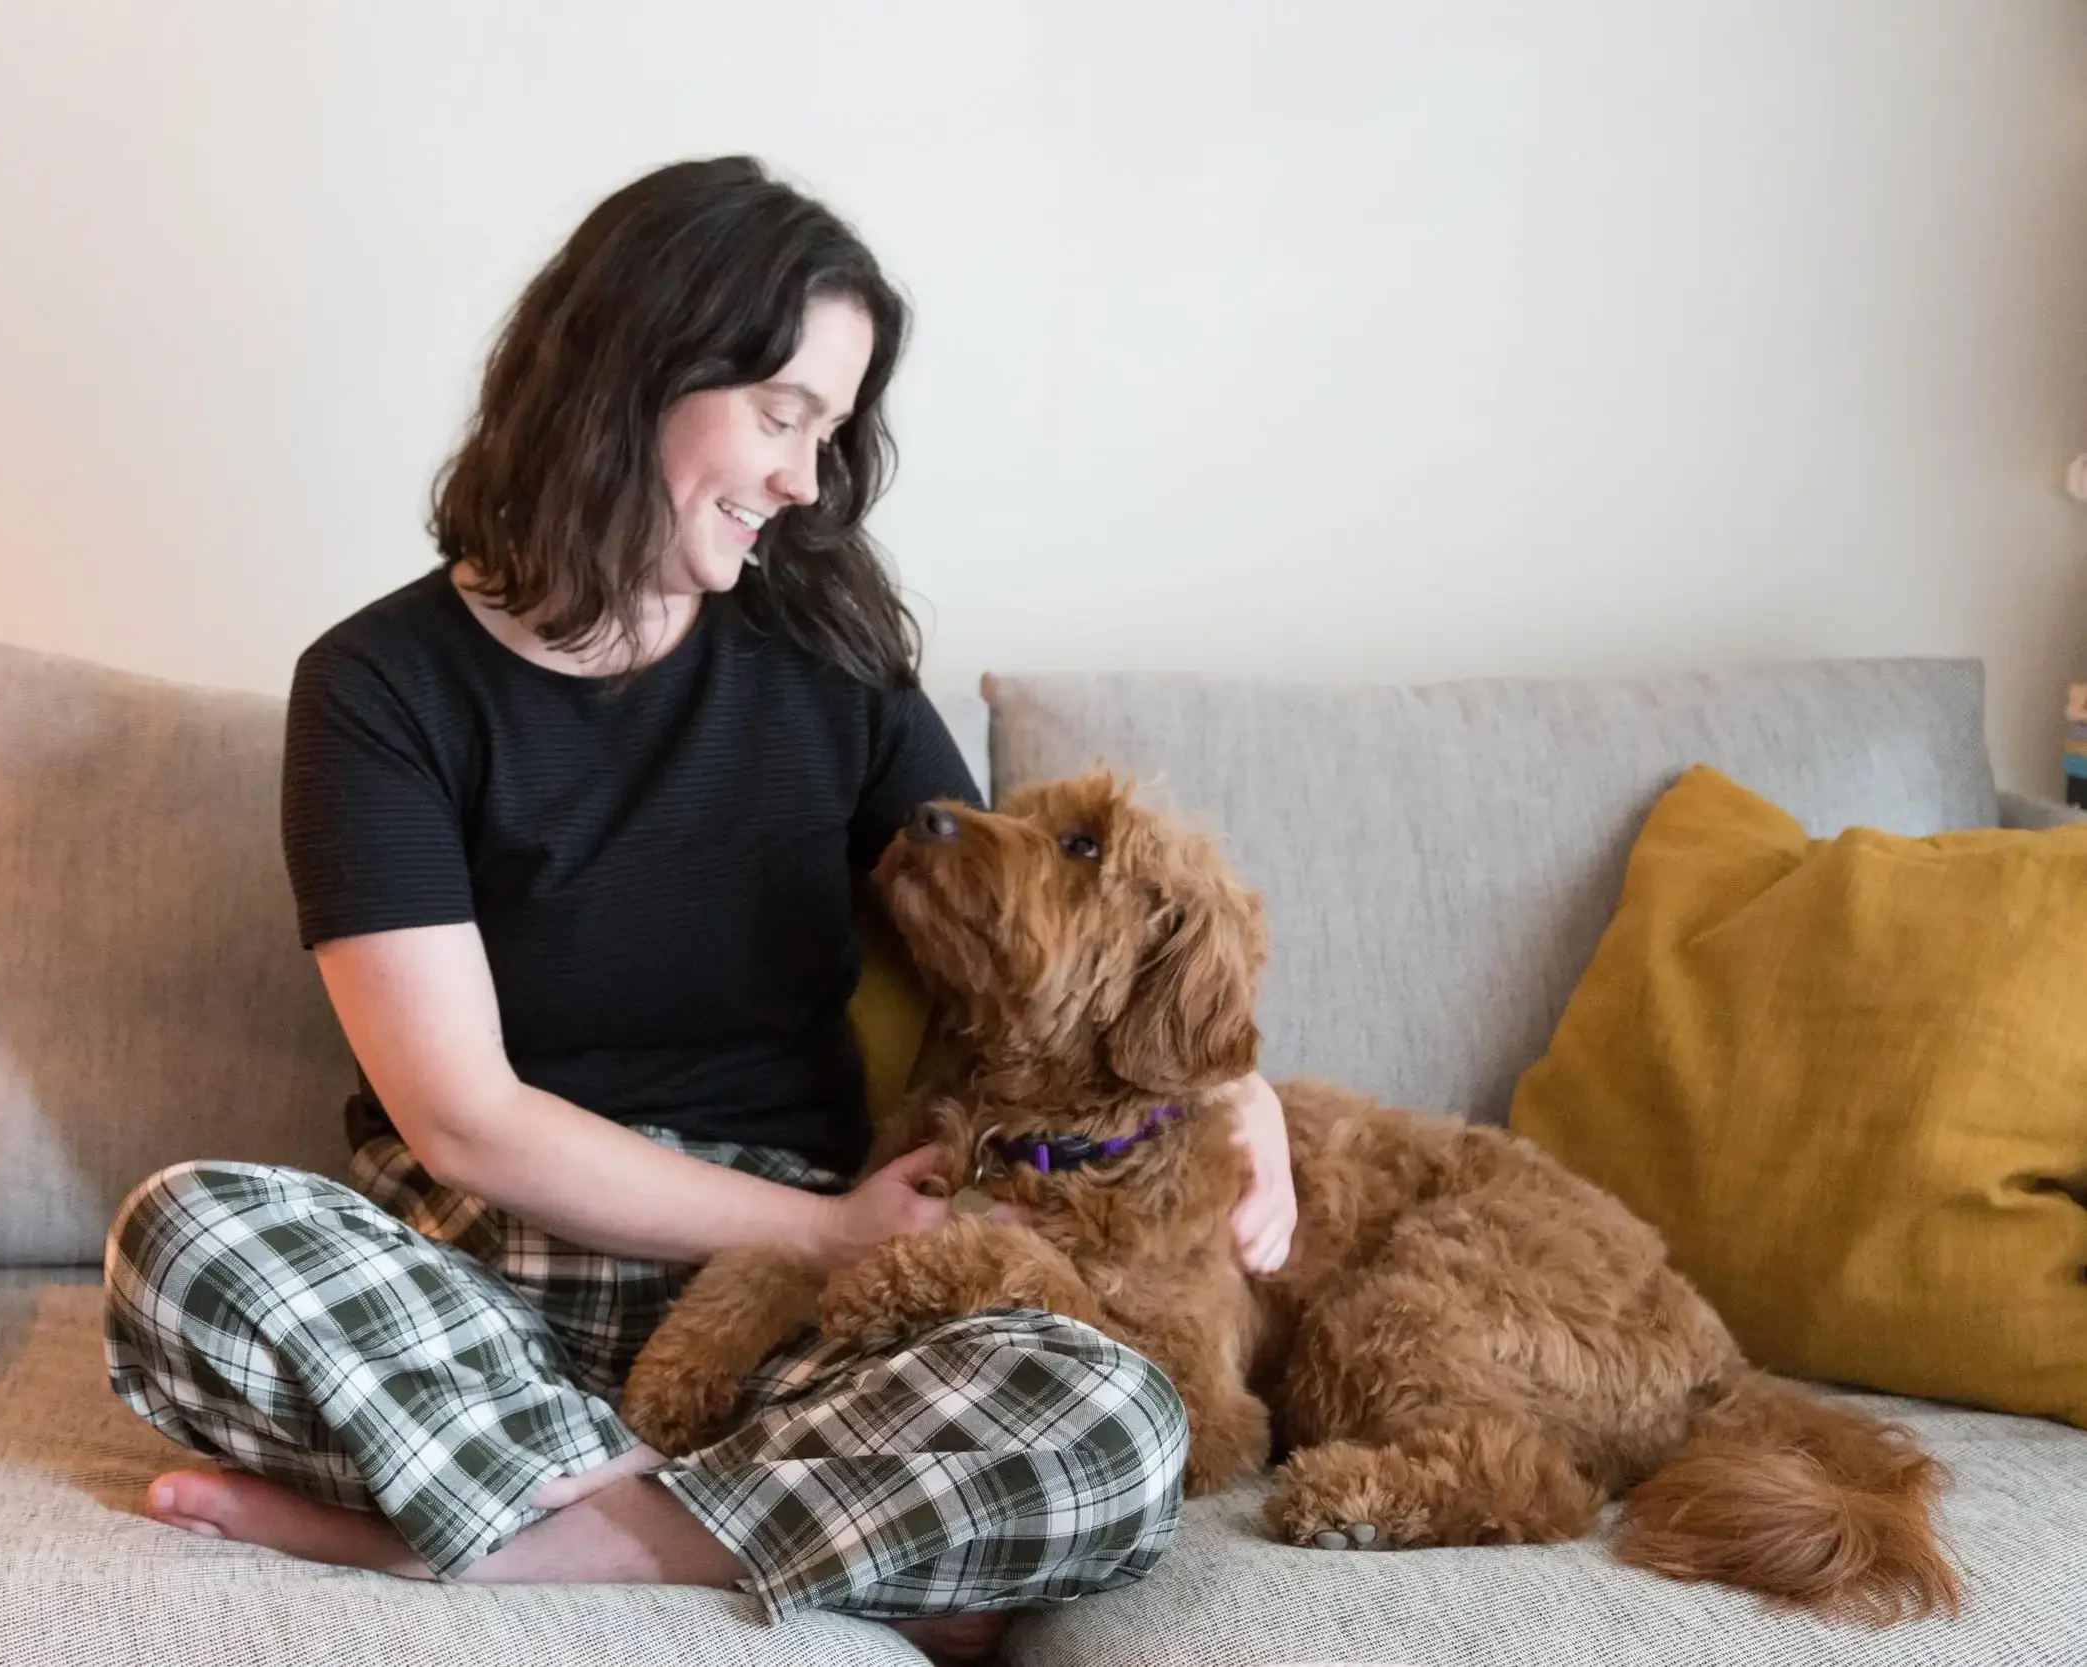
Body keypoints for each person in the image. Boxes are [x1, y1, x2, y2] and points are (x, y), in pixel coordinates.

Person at [101, 155, 1297, 1663]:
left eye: (829, 434)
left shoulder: (831, 651)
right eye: (782, 416)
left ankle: (496, 1537)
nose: (805, 480)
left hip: (789, 1319)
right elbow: (463, 1119)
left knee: (1112, 1420)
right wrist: (825, 1227)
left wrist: (1231, 1080)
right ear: (633, 372)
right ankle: (754, 1534)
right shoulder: (380, 689)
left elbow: (1030, 934)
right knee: (186, 1240)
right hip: (487, 1272)